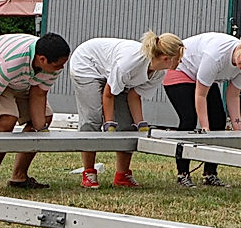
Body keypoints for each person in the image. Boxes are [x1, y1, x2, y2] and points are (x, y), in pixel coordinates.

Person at [69, 32, 184, 189]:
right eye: (178, 58)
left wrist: (140, 125)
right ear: (166, 58)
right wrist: (109, 123)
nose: (180, 61)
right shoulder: (130, 63)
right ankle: (89, 172)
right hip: (87, 64)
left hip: (114, 73)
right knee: (92, 119)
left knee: (127, 125)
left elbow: (134, 96)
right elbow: (109, 94)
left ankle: (122, 175)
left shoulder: (159, 73)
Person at [0, 31, 70, 193]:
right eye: (57, 65)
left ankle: (19, 177)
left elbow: (38, 94)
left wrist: (41, 131)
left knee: (44, 118)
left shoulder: (53, 65)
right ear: (42, 59)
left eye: (63, 64)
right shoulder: (10, 62)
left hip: (17, 79)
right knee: (6, 119)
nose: (61, 68)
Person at [163, 32, 241, 187]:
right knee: (189, 119)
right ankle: (183, 173)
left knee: (219, 120)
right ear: (240, 47)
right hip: (182, 69)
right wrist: (205, 128)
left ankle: (210, 173)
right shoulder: (216, 55)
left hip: (206, 76)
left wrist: (237, 126)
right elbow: (200, 95)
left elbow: (233, 95)